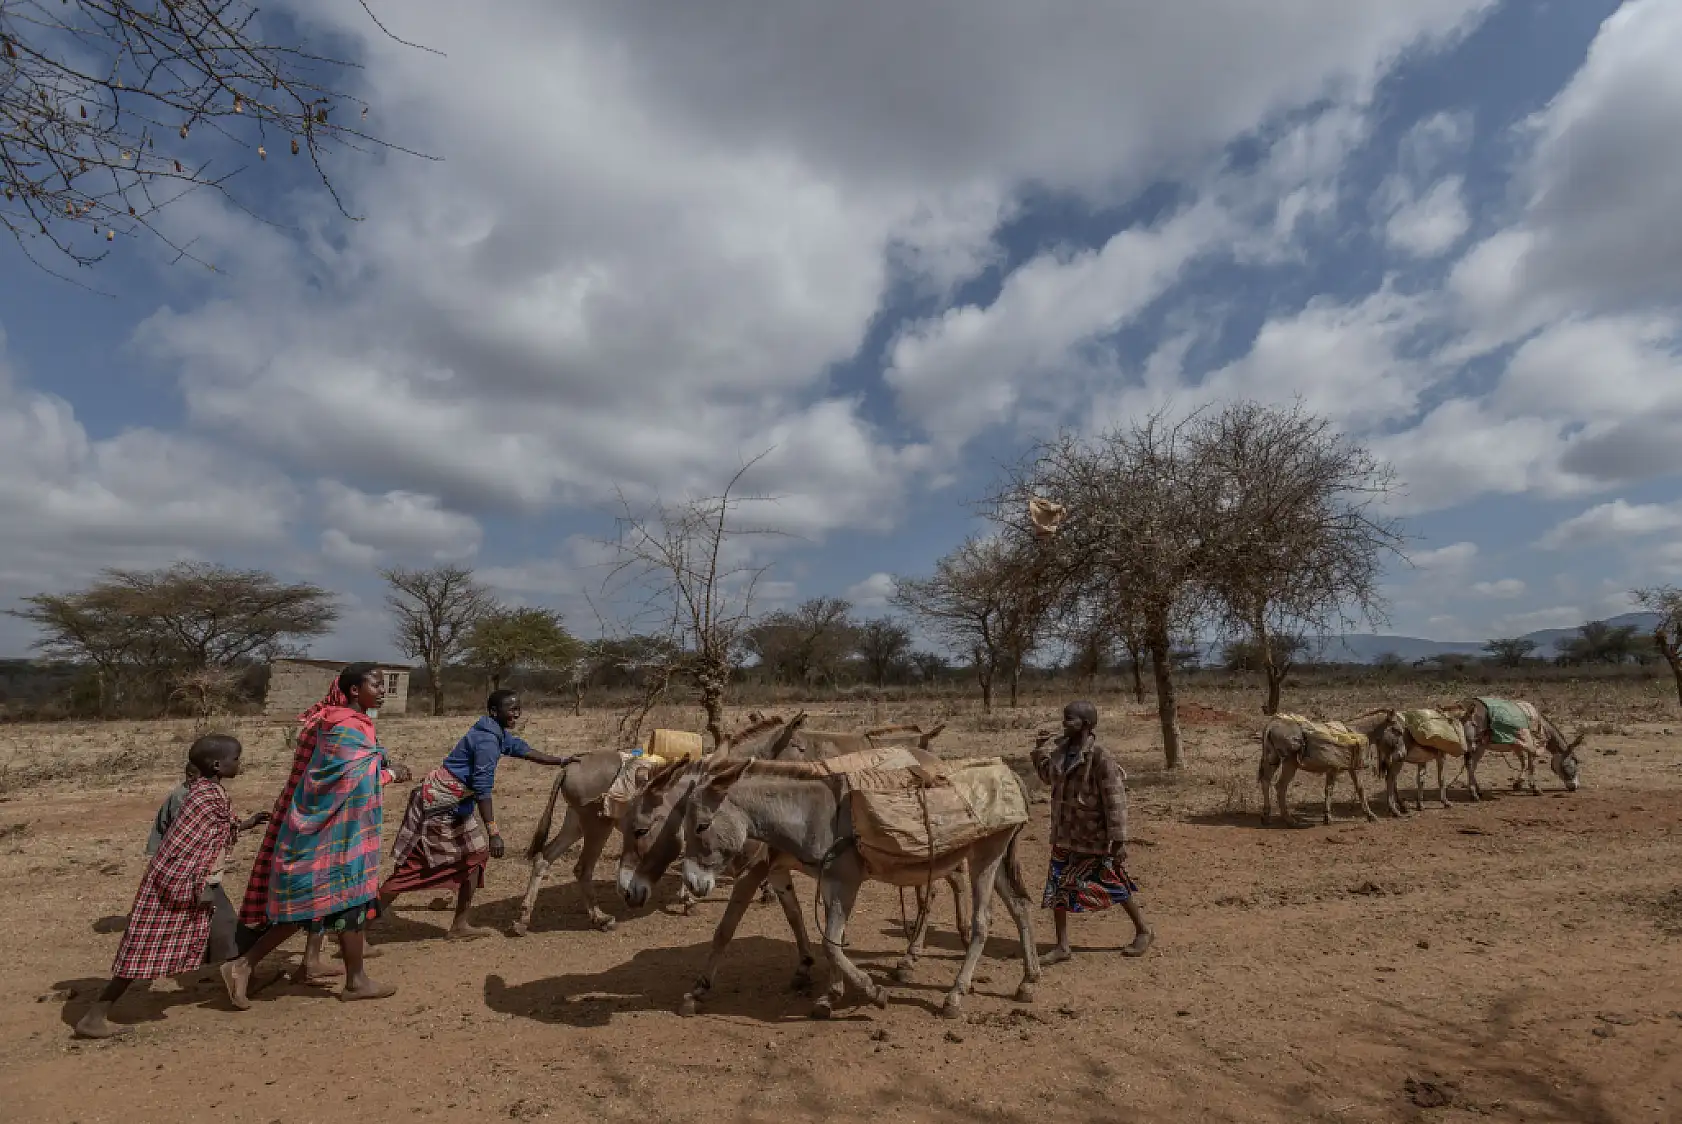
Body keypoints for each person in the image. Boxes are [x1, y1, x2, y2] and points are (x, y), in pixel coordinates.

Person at [221, 663, 410, 1009]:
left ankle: (345, 977)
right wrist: (391, 774)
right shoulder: (344, 728)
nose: (384, 690)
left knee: (326, 905)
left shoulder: (340, 722)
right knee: (341, 903)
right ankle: (246, 965)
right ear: (355, 690)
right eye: (377, 684)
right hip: (331, 834)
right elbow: (349, 781)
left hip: (336, 831)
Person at [75, 735, 268, 1038]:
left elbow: (214, 830)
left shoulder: (207, 792)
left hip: (191, 879)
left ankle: (244, 978)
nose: (239, 764)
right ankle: (95, 1016)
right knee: (142, 952)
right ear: (218, 764)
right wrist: (197, 884)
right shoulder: (205, 797)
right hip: (179, 881)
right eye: (236, 759)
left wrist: (246, 824)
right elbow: (185, 846)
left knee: (227, 928)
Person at [377, 689, 575, 939]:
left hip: (452, 803)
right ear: (494, 712)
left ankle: (460, 925)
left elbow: (520, 748)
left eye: (518, 707)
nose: (516, 712)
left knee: (476, 856)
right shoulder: (487, 742)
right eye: (511, 708)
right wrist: (494, 832)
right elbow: (482, 789)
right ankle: (358, 927)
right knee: (412, 868)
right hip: (440, 806)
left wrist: (560, 761)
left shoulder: (494, 732)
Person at [1029, 701, 1153, 964]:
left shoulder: (1100, 757)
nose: (1064, 724)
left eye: (1070, 720)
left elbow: (1115, 800)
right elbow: (1048, 776)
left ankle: (1143, 930)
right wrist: (1039, 750)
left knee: (1114, 883)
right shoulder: (1062, 752)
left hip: (1092, 836)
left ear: (1085, 724)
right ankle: (1062, 945)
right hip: (1065, 834)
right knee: (1057, 887)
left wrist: (1118, 840)